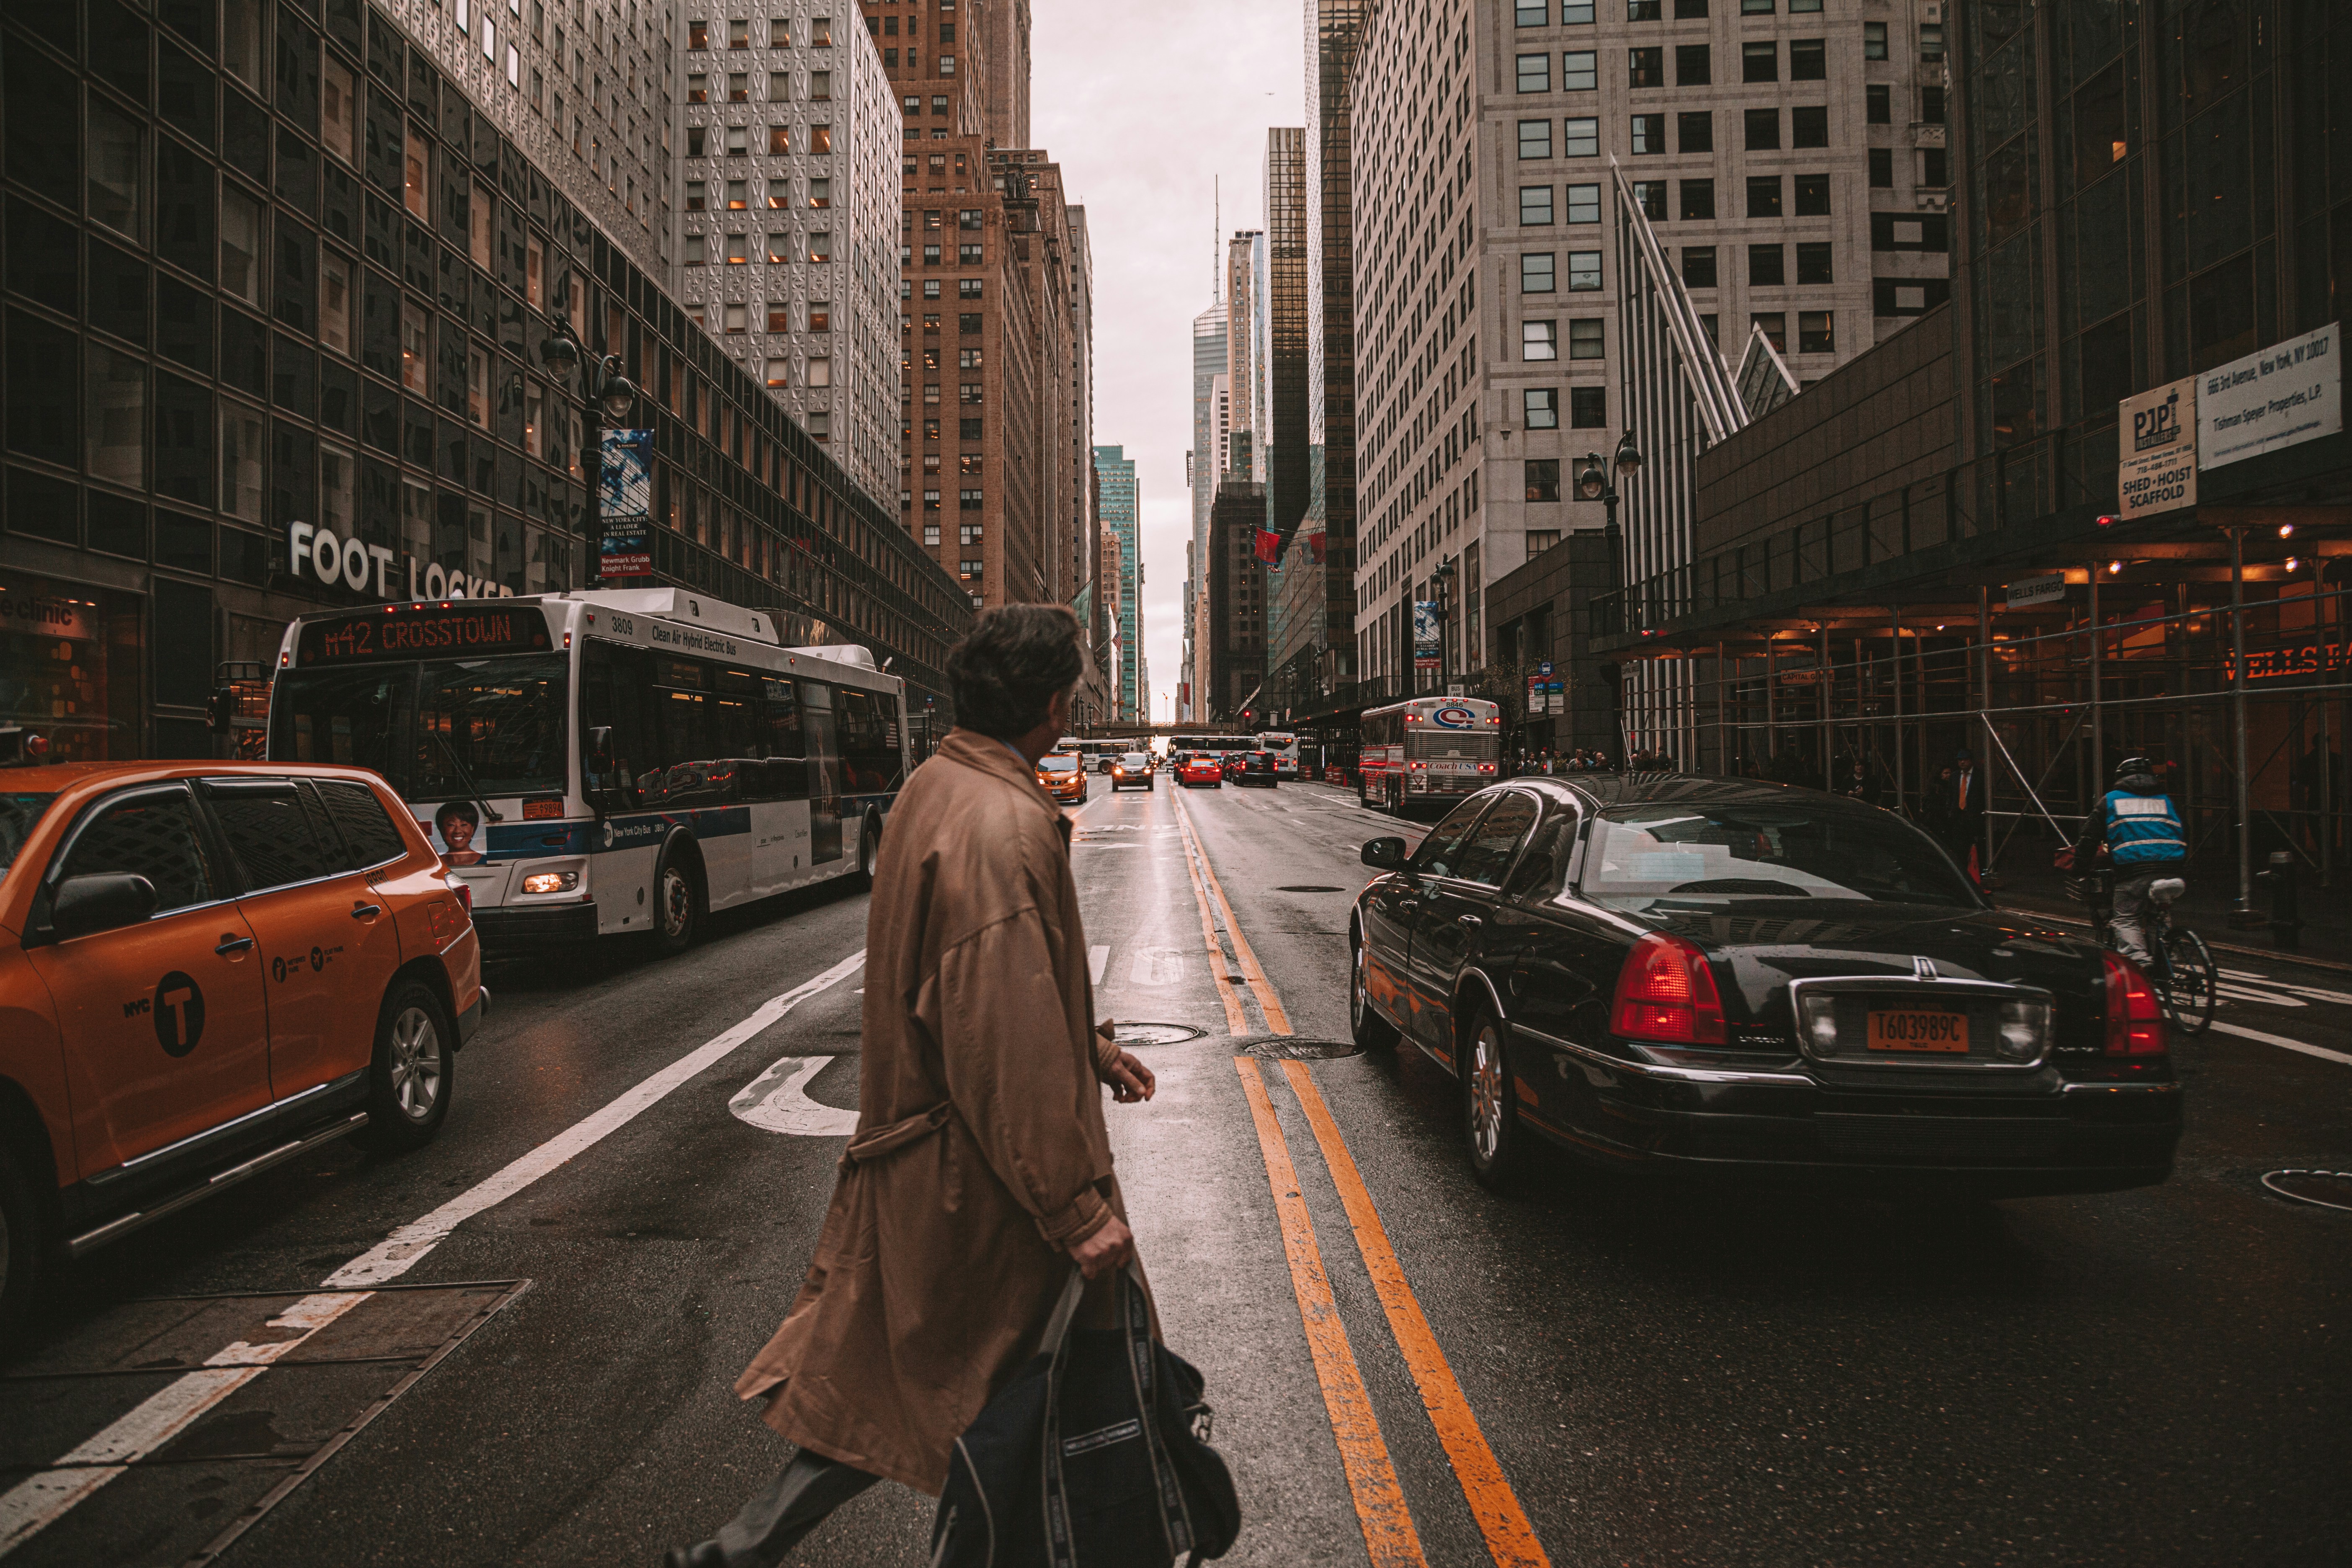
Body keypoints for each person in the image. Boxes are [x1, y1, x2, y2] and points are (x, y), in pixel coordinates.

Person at [668, 606, 1160, 1568]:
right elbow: (1000, 1035)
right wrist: (1075, 1208)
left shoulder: (936, 784)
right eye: (1074, 687)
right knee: (1001, 1406)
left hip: (927, 1165)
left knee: (891, 1387)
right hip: (982, 1192)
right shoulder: (1002, 819)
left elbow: (988, 979)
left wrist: (1089, 1044)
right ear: (1051, 701)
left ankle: (742, 1545)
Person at [2069, 755, 2186, 966]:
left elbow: (2089, 839)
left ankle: (2141, 963)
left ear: (2120, 778)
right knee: (2158, 914)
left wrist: (2080, 868)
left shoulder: (2111, 800)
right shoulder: (2167, 801)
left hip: (2133, 868)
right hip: (2172, 866)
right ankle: (2168, 956)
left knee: (2126, 918)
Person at [1933, 749, 1986, 879]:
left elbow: (1983, 796)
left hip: (1973, 815)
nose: (1962, 762)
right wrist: (1951, 811)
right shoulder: (1955, 777)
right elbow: (1952, 795)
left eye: (1965, 759)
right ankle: (1962, 875)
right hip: (1959, 816)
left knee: (1975, 847)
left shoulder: (1980, 776)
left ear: (1971, 761)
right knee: (1959, 848)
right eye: (1960, 760)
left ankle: (1976, 875)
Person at [433, 799, 483, 866]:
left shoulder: (489, 862)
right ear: (442, 830)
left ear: (473, 829)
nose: (457, 831)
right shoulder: (434, 866)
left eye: (464, 825)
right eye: (451, 825)